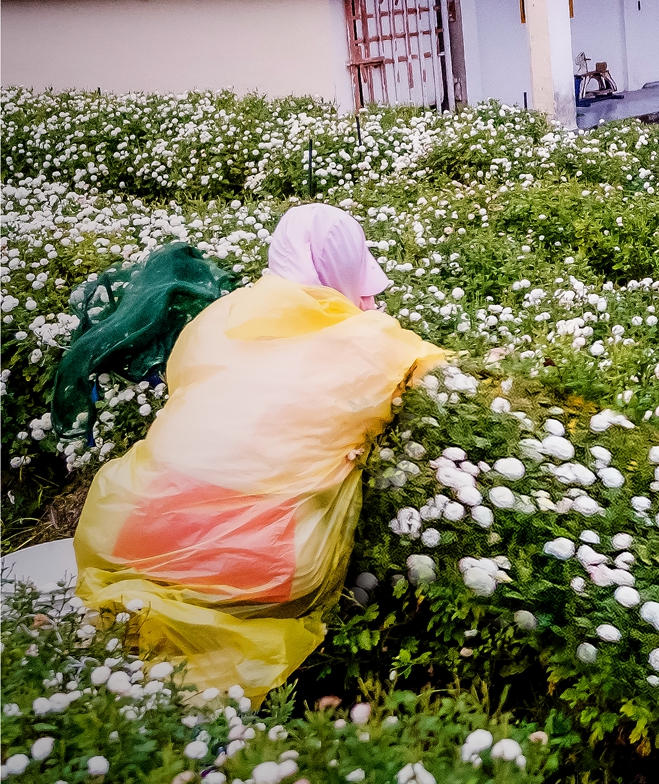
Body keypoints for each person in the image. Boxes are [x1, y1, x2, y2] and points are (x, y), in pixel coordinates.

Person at [72, 205, 444, 700]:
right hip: (269, 569)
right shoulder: (375, 341)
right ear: (349, 263)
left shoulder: (217, 316)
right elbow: (435, 379)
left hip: (131, 536)